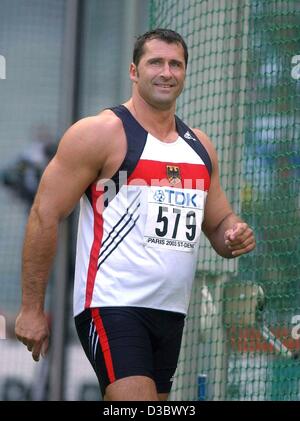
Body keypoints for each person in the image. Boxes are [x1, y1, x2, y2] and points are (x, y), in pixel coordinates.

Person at [15, 28, 255, 401]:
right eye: (155, 62)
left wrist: (235, 232)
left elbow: (219, 223)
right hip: (112, 304)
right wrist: (31, 309)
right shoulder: (100, 133)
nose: (166, 72)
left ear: (186, 73)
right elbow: (44, 215)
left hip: (172, 312)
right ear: (133, 71)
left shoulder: (200, 147)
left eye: (176, 64)